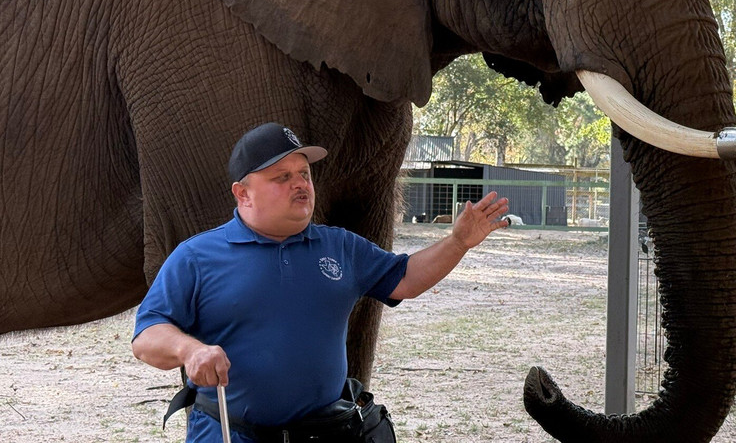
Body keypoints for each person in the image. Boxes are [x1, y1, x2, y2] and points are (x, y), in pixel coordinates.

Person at [132, 122, 509, 442]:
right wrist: (190, 352)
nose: (301, 185)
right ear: (242, 193)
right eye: (282, 177)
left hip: (326, 432)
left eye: (304, 174)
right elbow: (147, 336)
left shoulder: (340, 246)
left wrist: (457, 243)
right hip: (229, 432)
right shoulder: (197, 256)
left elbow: (405, 279)